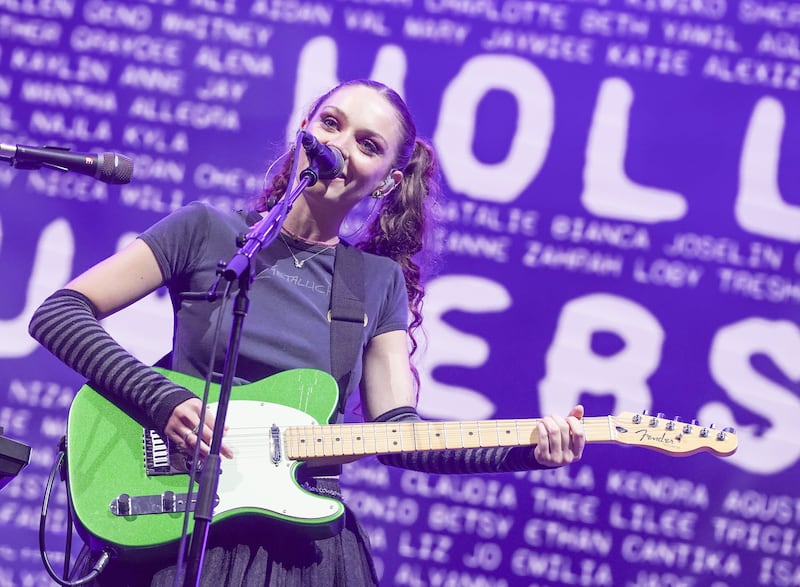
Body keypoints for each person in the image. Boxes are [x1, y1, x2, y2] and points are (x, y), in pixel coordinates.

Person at [29, 79, 585, 586]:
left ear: (387, 182)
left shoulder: (375, 283)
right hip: (176, 522)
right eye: (331, 124)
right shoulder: (207, 232)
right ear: (304, 132)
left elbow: (399, 436)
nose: (340, 146)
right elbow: (59, 312)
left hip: (296, 555)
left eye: (367, 145)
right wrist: (162, 399)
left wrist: (526, 451)